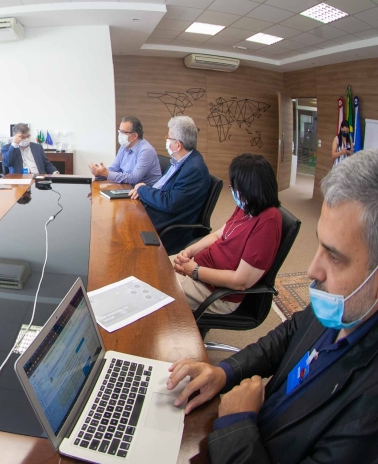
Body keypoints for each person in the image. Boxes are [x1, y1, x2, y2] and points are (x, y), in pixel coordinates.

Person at [167, 150, 378, 464]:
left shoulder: (368, 412)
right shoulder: (342, 307)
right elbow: (290, 333)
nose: (312, 270)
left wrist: (237, 424)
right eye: (319, 244)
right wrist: (225, 371)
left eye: (335, 257)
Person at [172, 154, 282, 315]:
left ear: (250, 188)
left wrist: (194, 270)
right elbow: (219, 235)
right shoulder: (247, 206)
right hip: (200, 270)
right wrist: (190, 251)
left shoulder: (268, 222)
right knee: (152, 266)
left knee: (154, 286)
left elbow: (240, 281)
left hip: (216, 292)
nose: (232, 191)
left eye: (235, 187)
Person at [130, 116, 211, 254]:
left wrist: (143, 189)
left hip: (168, 226)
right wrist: (143, 189)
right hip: (156, 210)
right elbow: (162, 188)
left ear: (178, 145)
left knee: (124, 232)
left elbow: (170, 202)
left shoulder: (194, 169)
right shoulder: (179, 160)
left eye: (168, 137)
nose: (166, 140)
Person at [88, 116, 161, 185]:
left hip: (145, 191)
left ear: (135, 135)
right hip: (128, 187)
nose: (120, 135)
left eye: (123, 132)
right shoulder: (124, 146)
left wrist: (106, 173)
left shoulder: (146, 151)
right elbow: (115, 168)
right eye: (120, 131)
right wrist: (100, 173)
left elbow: (134, 178)